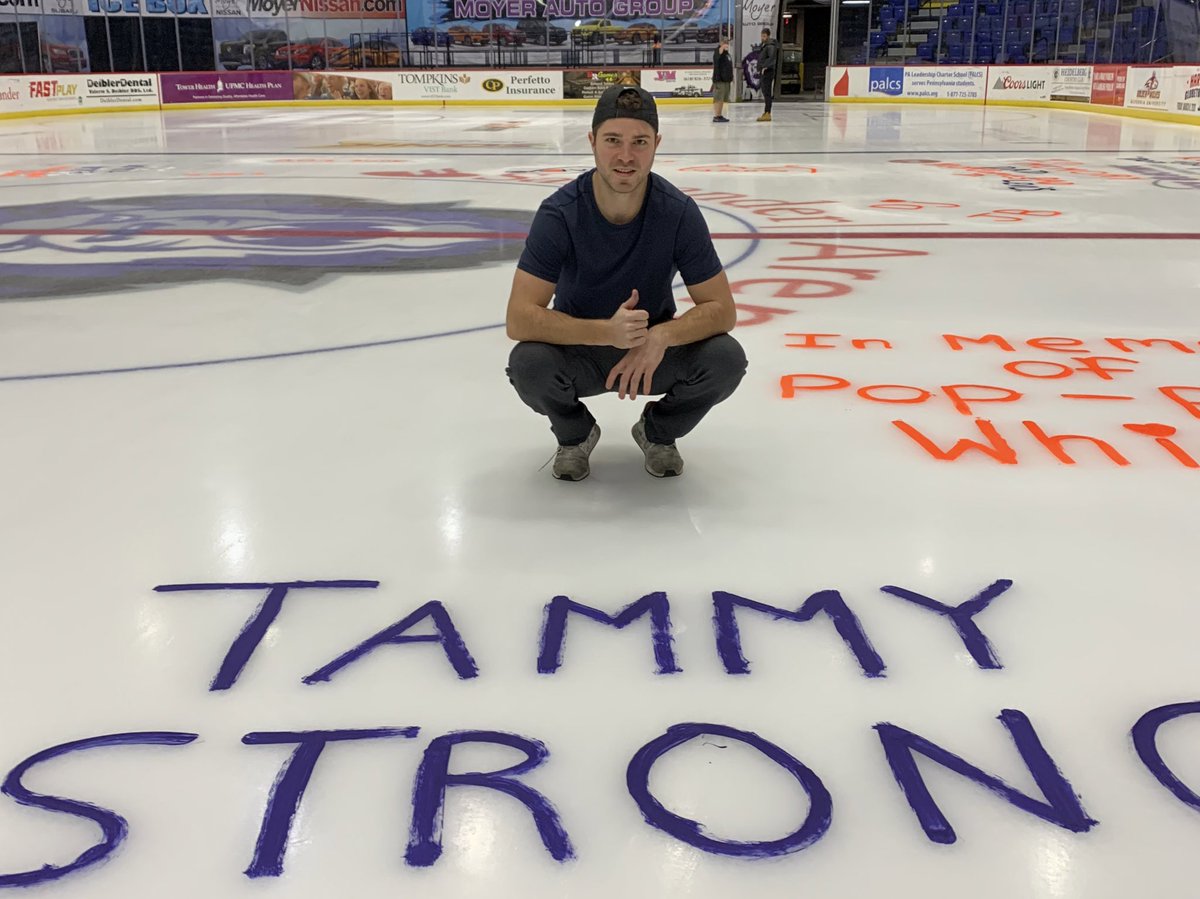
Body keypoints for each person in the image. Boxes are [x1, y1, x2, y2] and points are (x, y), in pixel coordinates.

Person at [505, 85, 747, 481]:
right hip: (578, 350)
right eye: (613, 141)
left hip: (650, 354)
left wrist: (661, 337)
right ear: (592, 142)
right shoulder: (560, 214)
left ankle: (658, 433)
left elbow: (723, 310)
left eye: (640, 142)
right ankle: (575, 434)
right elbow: (519, 318)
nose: (625, 156)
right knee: (529, 365)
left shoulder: (678, 213)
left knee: (726, 358)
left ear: (656, 145)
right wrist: (605, 332)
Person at [757, 27, 778, 122]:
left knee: (767, 93)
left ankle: (768, 113)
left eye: (764, 36)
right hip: (764, 71)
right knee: (765, 92)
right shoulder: (765, 45)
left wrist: (765, 67)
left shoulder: (770, 46)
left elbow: (772, 58)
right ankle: (766, 112)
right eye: (762, 36)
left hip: (767, 71)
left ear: (768, 36)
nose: (762, 37)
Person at [711, 35, 733, 123]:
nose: (726, 44)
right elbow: (717, 57)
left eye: (727, 42)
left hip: (726, 79)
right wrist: (721, 47)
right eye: (724, 42)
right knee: (718, 98)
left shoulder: (727, 54)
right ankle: (717, 115)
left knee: (722, 98)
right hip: (719, 79)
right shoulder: (718, 51)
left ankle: (719, 114)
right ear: (721, 43)